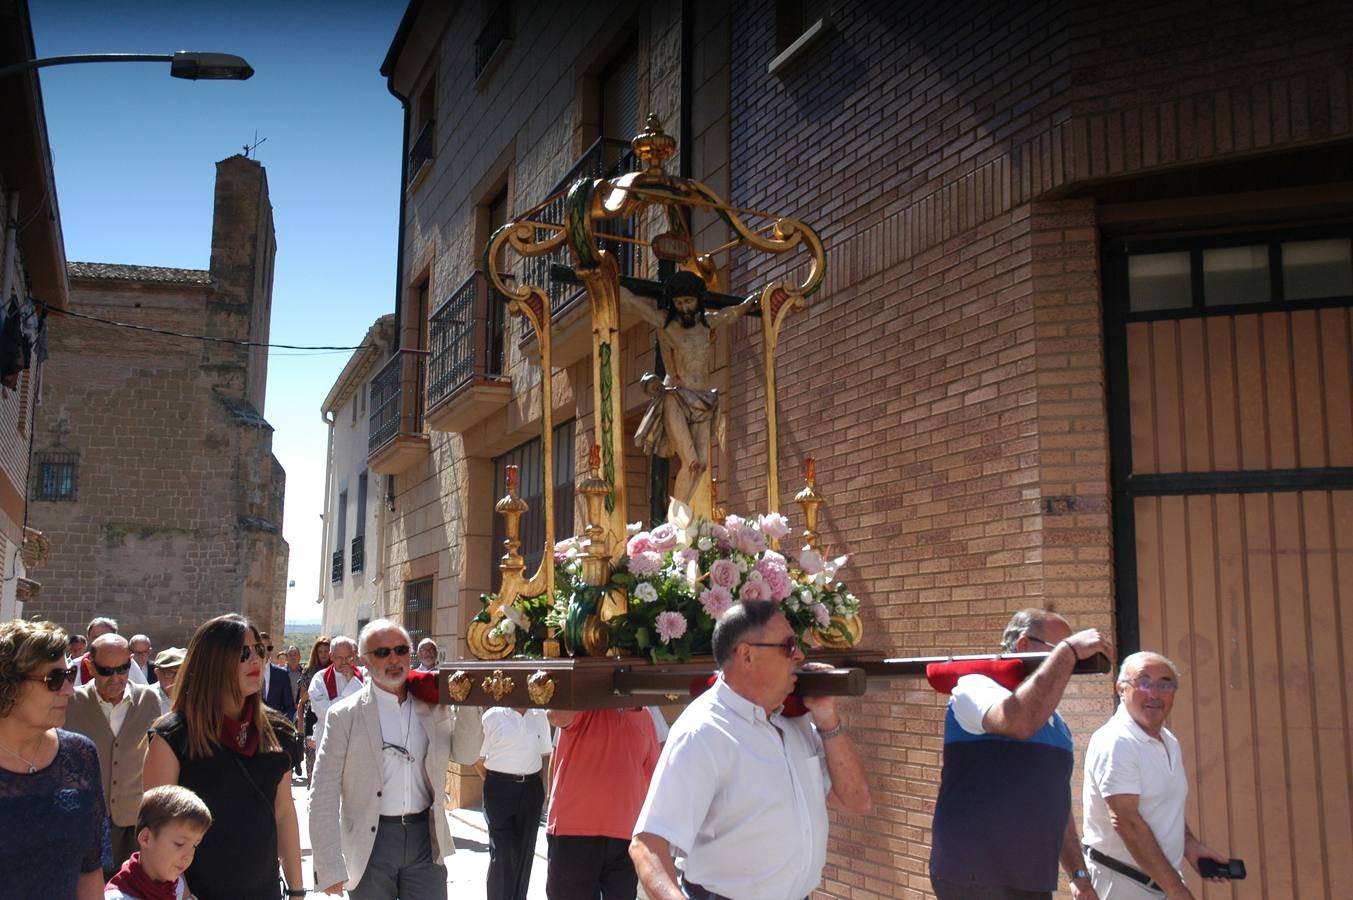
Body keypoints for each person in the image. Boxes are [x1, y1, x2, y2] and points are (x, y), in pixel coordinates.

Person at [631, 601, 873, 899]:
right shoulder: (703, 732)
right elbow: (647, 844)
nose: (800, 655)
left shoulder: (794, 722)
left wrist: (827, 719)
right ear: (747, 655)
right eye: (789, 645)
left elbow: (856, 801)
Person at [929, 608, 1113, 900]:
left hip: (1032, 879)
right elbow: (1018, 721)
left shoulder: (1056, 721)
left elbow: (1056, 801)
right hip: (974, 876)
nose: (1071, 663)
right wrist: (1068, 652)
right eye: (1058, 649)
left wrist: (1077, 873)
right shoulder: (975, 687)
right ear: (1024, 645)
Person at [308, 619, 479, 899]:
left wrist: (468, 700)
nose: (394, 659)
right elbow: (323, 794)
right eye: (382, 652)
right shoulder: (343, 716)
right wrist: (328, 865)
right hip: (370, 844)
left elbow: (467, 754)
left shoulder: (432, 705)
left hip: (425, 840)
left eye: (400, 650)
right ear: (364, 659)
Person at [143, 614, 304, 900]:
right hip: (196, 891)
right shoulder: (173, 736)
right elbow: (156, 826)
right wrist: (182, 891)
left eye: (259, 650)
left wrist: (297, 890)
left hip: (263, 890)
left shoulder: (277, 731)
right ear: (213, 662)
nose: (256, 660)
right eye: (243, 653)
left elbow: (283, 811)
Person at [1082, 652, 1230, 899]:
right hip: (1121, 884)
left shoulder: (1167, 740)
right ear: (1121, 689)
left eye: (1164, 684)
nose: (1154, 693)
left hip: (1157, 882)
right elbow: (1126, 821)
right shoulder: (1117, 741)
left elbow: (1161, 807)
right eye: (1143, 682)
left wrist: (1191, 846)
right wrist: (1176, 889)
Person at [619, 271, 758, 506]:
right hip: (677, 396)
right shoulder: (666, 323)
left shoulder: (707, 325)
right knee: (691, 461)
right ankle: (675, 523)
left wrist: (752, 302)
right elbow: (633, 303)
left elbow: (731, 313)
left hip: (703, 398)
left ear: (699, 300)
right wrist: (609, 280)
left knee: (702, 465)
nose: (684, 307)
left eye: (689, 301)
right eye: (679, 302)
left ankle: (680, 519)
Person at [0, 618, 108, 899]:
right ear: (9, 684)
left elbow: (90, 868)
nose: (69, 690)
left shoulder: (79, 756)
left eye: (69, 675)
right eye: (54, 679)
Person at [64, 634, 164, 876]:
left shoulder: (148, 699)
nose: (116, 678)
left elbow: (156, 755)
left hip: (134, 820)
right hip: (85, 819)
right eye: (106, 671)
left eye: (123, 669)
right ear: (89, 666)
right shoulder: (71, 702)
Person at [544, 703, 659, 900]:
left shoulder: (644, 714)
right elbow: (556, 715)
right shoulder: (585, 705)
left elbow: (652, 774)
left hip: (625, 837)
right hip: (574, 834)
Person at [476, 705, 552, 900]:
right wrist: (495, 783)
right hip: (498, 788)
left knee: (524, 853)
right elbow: (477, 758)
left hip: (531, 789)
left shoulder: (540, 715)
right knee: (501, 853)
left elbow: (544, 754)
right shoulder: (492, 716)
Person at [104, 784, 212, 900]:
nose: (188, 856)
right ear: (146, 838)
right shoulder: (118, 897)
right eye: (179, 844)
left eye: (194, 845)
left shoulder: (177, 887)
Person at [305, 635, 362, 753]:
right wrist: (352, 690)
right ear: (331, 656)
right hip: (328, 738)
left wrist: (354, 681)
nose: (345, 662)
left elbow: (367, 705)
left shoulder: (362, 676)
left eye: (348, 658)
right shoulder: (320, 679)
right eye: (340, 658)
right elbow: (326, 712)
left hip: (356, 738)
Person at [75, 618, 147, 687]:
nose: (101, 641)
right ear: (88, 639)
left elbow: (144, 693)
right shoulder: (75, 665)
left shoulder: (127, 665)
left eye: (105, 637)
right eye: (96, 637)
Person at [299, 637, 332, 781]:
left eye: (326, 651)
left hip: (331, 720)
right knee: (312, 763)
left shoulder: (336, 671)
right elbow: (302, 697)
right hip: (312, 718)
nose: (323, 654)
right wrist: (316, 689)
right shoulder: (309, 671)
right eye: (321, 651)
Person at [259, 631, 296, 722]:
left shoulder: (281, 674)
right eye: (261, 647)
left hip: (275, 729)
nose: (265, 651)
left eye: (269, 648)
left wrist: (285, 728)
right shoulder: (245, 673)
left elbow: (289, 706)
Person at [150, 648, 185, 717]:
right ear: (157, 673)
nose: (176, 679)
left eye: (181, 673)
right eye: (170, 673)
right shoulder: (147, 697)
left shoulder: (195, 696)